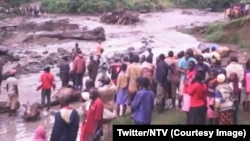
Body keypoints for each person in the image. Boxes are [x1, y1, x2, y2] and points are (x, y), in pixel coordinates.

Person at [98, 77, 116, 141]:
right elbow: (113, 85)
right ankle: (110, 136)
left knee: (104, 125)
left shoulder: (100, 90)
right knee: (110, 123)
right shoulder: (113, 88)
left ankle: (105, 139)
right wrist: (110, 81)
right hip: (111, 105)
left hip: (104, 107)